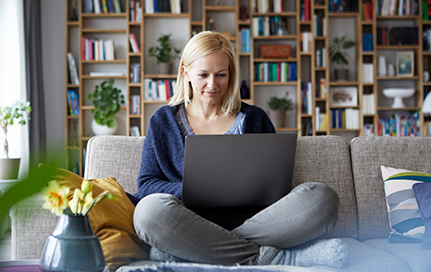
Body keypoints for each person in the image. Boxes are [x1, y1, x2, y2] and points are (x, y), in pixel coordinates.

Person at [133, 31, 348, 268]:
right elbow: (147, 185)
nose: (212, 85)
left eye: (221, 75)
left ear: (231, 74)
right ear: (186, 72)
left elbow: (275, 186)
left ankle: (198, 249)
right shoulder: (163, 121)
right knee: (148, 213)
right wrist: (197, 190)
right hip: (189, 221)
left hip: (257, 222)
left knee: (323, 198)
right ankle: (273, 258)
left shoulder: (255, 118)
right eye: (203, 74)